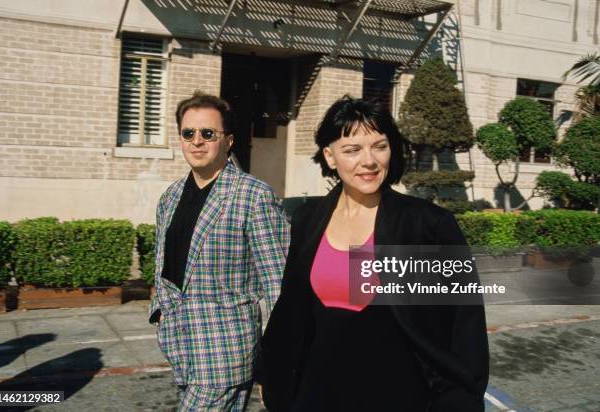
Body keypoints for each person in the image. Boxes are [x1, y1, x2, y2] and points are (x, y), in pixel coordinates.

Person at [259, 96, 489, 411]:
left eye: (379, 146)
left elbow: (465, 324)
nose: (369, 161)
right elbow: (291, 307)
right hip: (314, 391)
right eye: (352, 150)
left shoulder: (427, 225)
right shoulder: (307, 219)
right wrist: (272, 373)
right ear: (330, 156)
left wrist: (460, 399)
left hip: (395, 392)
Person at [148, 91, 290, 411]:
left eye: (208, 133)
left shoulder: (253, 196)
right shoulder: (170, 198)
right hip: (180, 346)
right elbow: (164, 265)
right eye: (189, 133)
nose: (197, 141)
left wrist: (277, 363)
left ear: (228, 141)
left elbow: (279, 286)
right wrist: (159, 311)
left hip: (225, 353)